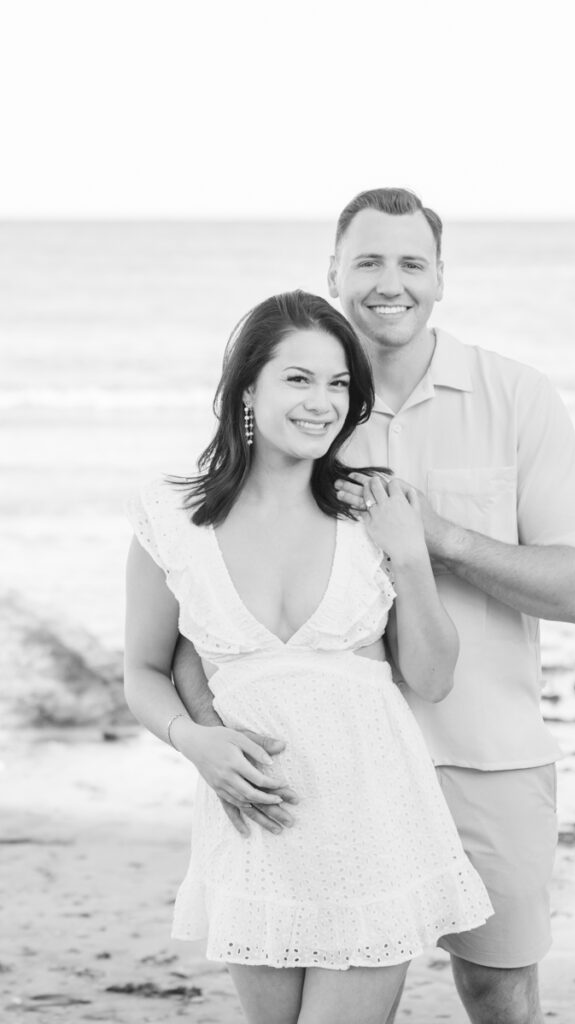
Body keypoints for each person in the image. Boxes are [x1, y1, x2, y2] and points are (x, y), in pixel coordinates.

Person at [173, 190, 575, 1024]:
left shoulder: (516, 396)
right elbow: (209, 604)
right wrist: (207, 735)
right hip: (329, 770)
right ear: (333, 271)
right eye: (368, 260)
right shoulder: (307, 407)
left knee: (496, 985)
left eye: (412, 262)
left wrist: (440, 538)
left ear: (442, 278)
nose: (390, 282)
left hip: (484, 753)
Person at [124, 289, 493, 1024]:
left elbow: (432, 676)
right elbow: (143, 670)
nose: (322, 403)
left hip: (372, 824)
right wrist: (195, 741)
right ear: (247, 390)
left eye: (339, 384)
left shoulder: (371, 512)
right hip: (257, 826)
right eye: (299, 378)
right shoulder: (173, 517)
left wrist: (412, 554)